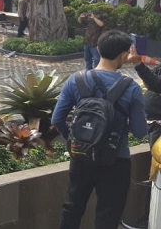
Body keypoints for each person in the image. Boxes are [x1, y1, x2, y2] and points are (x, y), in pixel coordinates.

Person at [52, 30, 147, 229]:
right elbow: (140, 132)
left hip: (81, 156)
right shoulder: (131, 88)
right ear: (123, 56)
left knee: (72, 209)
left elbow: (57, 118)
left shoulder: (75, 80)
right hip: (116, 160)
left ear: (97, 49)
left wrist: (74, 139)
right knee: (108, 216)